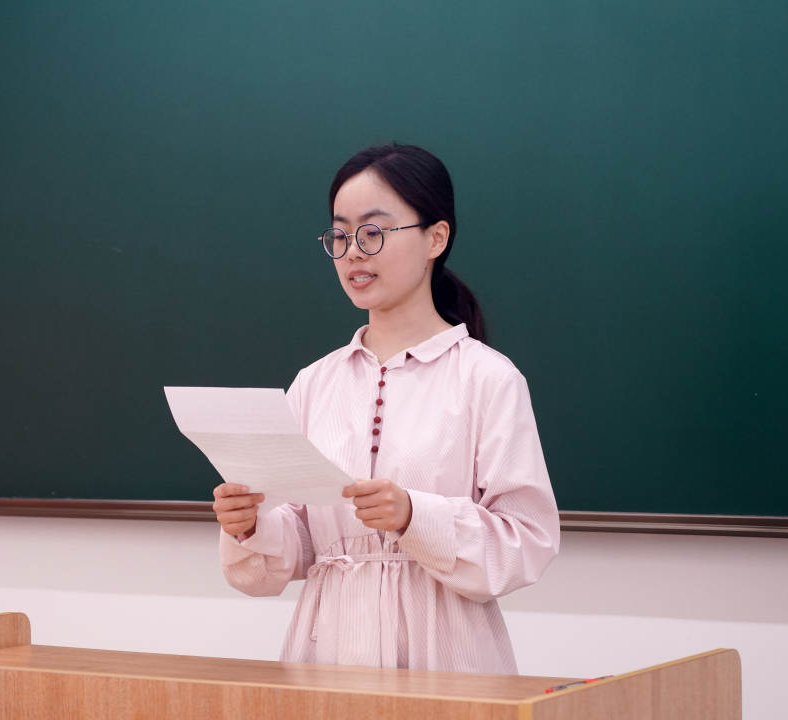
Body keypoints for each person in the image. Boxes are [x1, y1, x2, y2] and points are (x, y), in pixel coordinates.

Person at [212, 143, 559, 674]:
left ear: (435, 238)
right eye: (340, 236)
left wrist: (415, 515)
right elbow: (304, 544)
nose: (353, 252)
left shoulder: (487, 378)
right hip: (327, 651)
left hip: (444, 655)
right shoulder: (314, 383)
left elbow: (526, 541)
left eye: (373, 232)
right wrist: (250, 524)